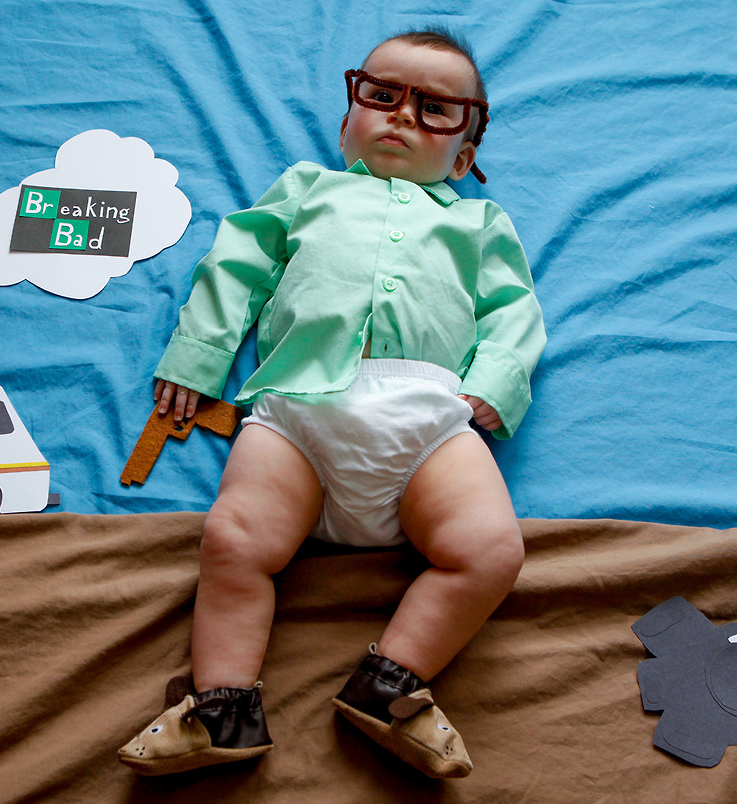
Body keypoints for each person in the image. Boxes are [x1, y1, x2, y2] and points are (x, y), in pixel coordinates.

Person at [118, 26, 546, 779]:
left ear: (464, 158)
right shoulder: (307, 189)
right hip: (297, 407)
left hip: (427, 413)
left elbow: (514, 308)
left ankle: (392, 685)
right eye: (381, 96)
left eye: (435, 110)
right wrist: (200, 355)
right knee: (233, 540)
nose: (403, 115)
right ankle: (221, 708)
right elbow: (236, 264)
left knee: (491, 550)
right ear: (348, 122)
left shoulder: (479, 222)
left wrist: (496, 380)